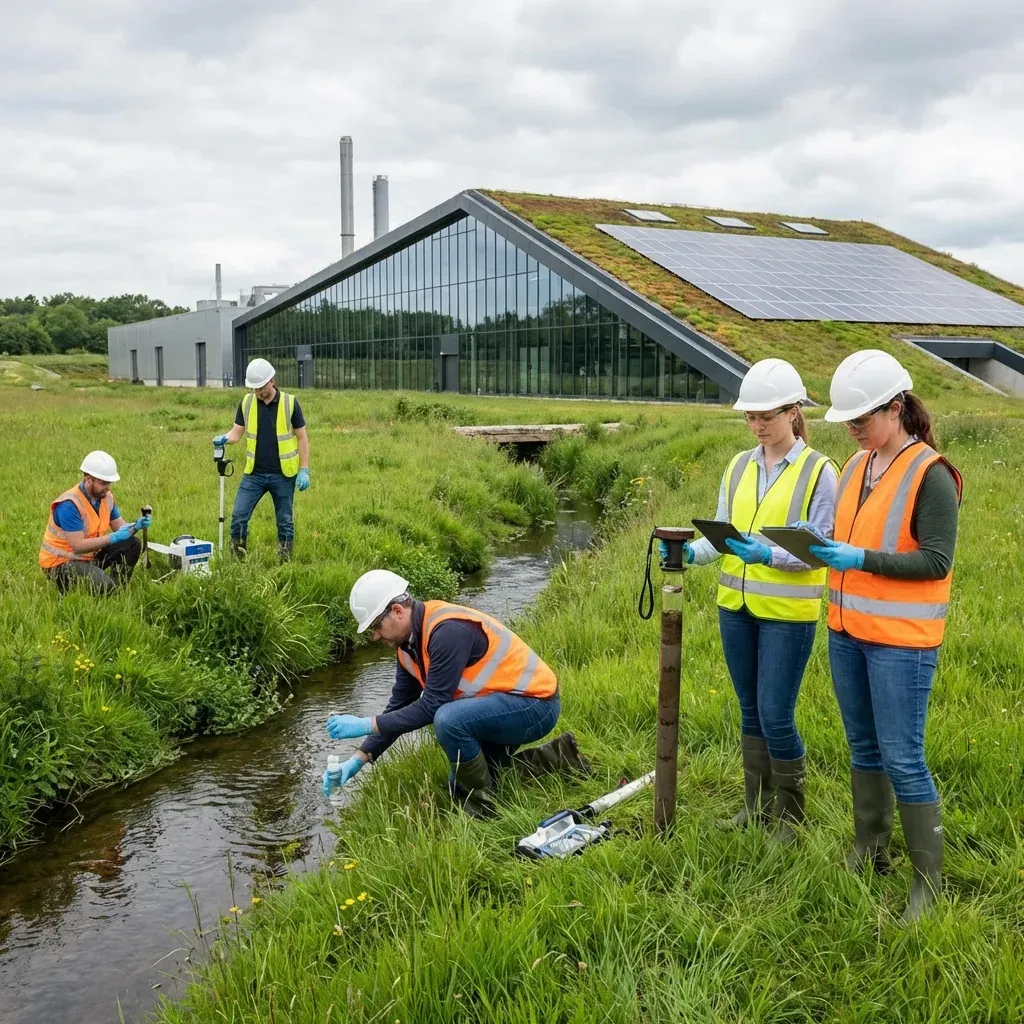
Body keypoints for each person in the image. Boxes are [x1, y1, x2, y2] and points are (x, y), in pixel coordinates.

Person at [808, 350, 961, 922]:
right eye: (847, 423)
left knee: (903, 756)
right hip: (848, 631)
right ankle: (870, 848)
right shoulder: (855, 466)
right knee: (864, 748)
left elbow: (936, 561)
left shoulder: (932, 474)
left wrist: (861, 557)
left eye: (861, 421)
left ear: (895, 408)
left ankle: (928, 884)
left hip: (901, 642)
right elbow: (845, 532)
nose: (853, 431)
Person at [669, 358, 837, 843]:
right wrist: (685, 554)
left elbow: (821, 549)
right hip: (735, 610)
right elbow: (725, 536)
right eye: (751, 416)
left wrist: (767, 554)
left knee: (775, 714)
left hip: (788, 615)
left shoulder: (819, 472)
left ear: (793, 412)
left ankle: (789, 816)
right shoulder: (739, 466)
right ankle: (755, 806)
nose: (758, 425)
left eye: (767, 415)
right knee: (749, 710)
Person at [322, 569, 589, 817]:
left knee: (448, 719)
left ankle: (481, 811)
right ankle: (563, 756)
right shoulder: (407, 649)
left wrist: (366, 724)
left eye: (376, 627)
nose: (375, 637)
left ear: (397, 610)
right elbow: (398, 708)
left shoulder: (446, 631)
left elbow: (431, 707)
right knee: (465, 780)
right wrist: (358, 759)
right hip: (500, 709)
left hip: (536, 706)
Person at [213, 358, 310, 562]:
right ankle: (238, 559)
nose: (258, 392)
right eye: (254, 388)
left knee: (285, 521)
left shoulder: (290, 403)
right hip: (254, 474)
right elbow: (236, 433)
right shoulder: (247, 403)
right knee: (239, 515)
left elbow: (302, 438)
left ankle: (285, 562)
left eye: (261, 387)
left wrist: (304, 469)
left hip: (283, 475)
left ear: (272, 381)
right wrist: (225, 438)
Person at [39, 451, 151, 595]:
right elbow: (78, 547)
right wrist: (113, 537)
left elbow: (120, 527)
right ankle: (103, 588)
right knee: (104, 586)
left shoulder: (106, 498)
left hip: (89, 557)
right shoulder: (69, 505)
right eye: (103, 483)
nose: (107, 487)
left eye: (109, 483)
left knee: (132, 543)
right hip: (61, 564)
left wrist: (136, 525)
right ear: (88, 479)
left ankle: (118, 589)